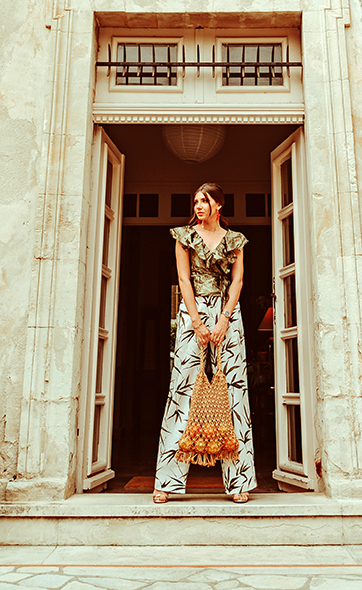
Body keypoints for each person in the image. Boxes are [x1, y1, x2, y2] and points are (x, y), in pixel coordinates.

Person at [153, 182, 256, 503]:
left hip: (228, 314)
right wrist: (196, 322)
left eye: (204, 200)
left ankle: (239, 483)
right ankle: (166, 483)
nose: (198, 206)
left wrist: (225, 318)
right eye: (196, 201)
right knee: (182, 392)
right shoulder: (184, 238)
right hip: (191, 312)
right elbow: (183, 279)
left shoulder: (235, 240)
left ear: (218, 205)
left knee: (234, 395)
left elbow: (238, 280)